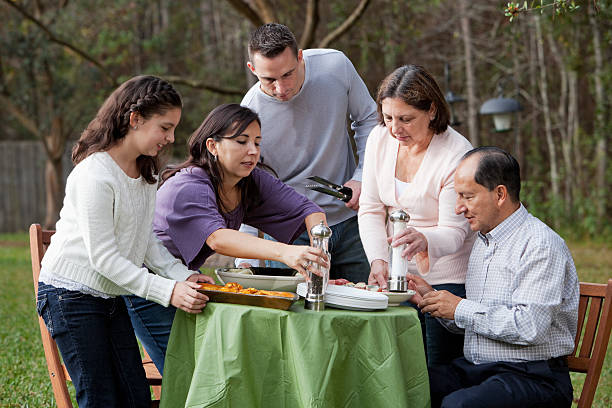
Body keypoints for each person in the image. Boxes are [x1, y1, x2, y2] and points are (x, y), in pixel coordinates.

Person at [35, 75, 212, 407]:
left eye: (174, 128)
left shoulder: (145, 174)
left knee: (135, 397)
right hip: (68, 296)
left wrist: (182, 275)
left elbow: (145, 242)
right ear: (135, 119)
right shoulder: (95, 174)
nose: (171, 137)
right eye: (165, 127)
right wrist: (168, 291)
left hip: (110, 295)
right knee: (101, 397)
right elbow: (103, 257)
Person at [125, 103, 328, 373]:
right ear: (213, 146)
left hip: (187, 281)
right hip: (147, 288)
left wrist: (319, 258)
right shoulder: (188, 186)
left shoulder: (249, 180)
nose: (253, 151)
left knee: (224, 369)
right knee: (189, 376)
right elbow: (217, 239)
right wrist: (285, 253)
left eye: (257, 142)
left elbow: (309, 210)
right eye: (241, 142)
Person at [410, 146, 578, 408]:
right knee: (407, 388)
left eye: (467, 196)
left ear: (500, 194)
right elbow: (479, 320)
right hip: (479, 370)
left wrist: (460, 308)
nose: (458, 208)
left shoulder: (540, 245)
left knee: (459, 406)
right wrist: (434, 301)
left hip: (533, 377)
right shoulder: (484, 241)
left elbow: (529, 328)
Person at [234, 23, 378, 283]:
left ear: (300, 57)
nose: (281, 88)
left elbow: (368, 119)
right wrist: (246, 254)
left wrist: (362, 176)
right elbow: (246, 181)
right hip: (288, 231)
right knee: (295, 317)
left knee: (364, 311)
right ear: (252, 70)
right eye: (269, 80)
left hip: (351, 222)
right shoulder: (249, 112)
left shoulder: (335, 66)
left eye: (288, 74)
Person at [358, 64, 475, 366]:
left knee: (435, 370)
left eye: (406, 119)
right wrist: (378, 260)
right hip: (395, 279)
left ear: (432, 111)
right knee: (395, 365)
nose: (395, 128)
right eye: (388, 117)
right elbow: (370, 208)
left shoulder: (457, 153)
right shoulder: (379, 139)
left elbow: (456, 231)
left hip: (446, 280)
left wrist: (425, 239)